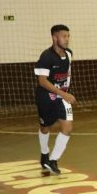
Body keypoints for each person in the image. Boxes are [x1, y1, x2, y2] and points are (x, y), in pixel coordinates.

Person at [35, 25, 76, 176]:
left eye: (68, 36)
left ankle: (53, 160)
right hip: (46, 97)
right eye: (63, 36)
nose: (66, 39)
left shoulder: (69, 54)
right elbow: (42, 81)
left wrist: (65, 93)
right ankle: (44, 154)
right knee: (45, 127)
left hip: (63, 97)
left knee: (68, 128)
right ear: (54, 37)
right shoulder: (46, 57)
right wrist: (62, 93)